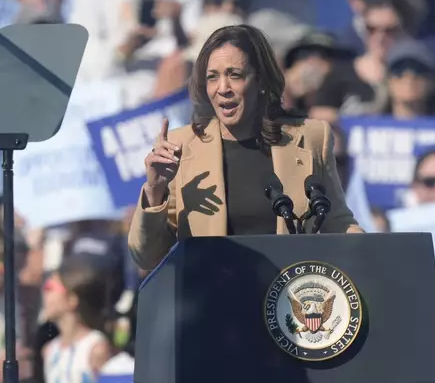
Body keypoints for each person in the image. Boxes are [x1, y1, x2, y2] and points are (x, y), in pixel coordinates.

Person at [128, 24, 364, 270]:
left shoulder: (311, 136)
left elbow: (338, 222)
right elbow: (146, 256)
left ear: (260, 79)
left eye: (234, 75)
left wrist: (372, 255)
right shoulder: (181, 147)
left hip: (290, 300)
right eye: (212, 77)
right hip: (213, 299)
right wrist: (155, 191)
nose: (222, 89)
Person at [42, 255, 113, 383]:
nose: (45, 294)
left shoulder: (95, 348)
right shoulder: (50, 351)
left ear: (71, 300)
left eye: (50, 288)